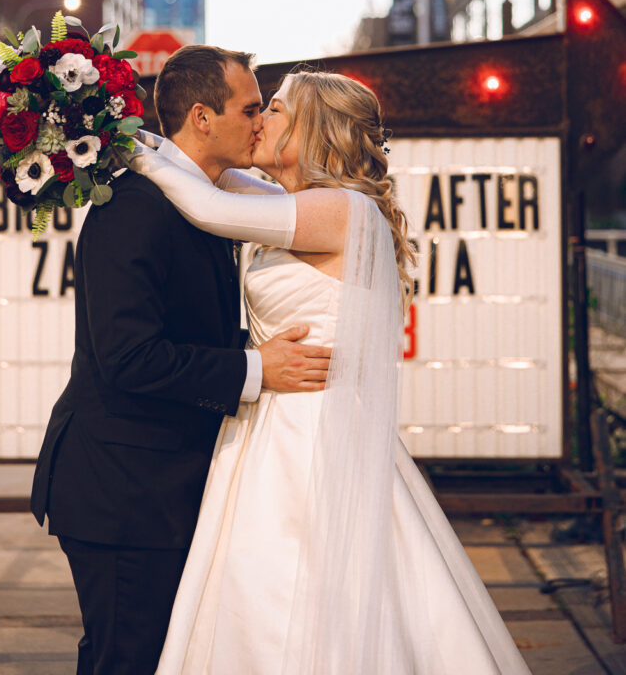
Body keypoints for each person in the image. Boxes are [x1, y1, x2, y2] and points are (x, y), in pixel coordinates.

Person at [128, 69, 531, 674]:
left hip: (313, 433)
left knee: (302, 589)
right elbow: (209, 173)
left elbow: (208, 205)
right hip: (271, 423)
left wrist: (116, 141)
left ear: (314, 128)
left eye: (278, 109)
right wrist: (141, 138)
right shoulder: (294, 203)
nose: (261, 118)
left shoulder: (340, 210)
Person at [30, 47, 332, 675]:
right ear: (201, 117)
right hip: (122, 492)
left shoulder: (202, 197)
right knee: (127, 660)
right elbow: (127, 357)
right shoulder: (134, 207)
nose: (259, 122)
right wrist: (256, 371)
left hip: (164, 486)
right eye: (250, 108)